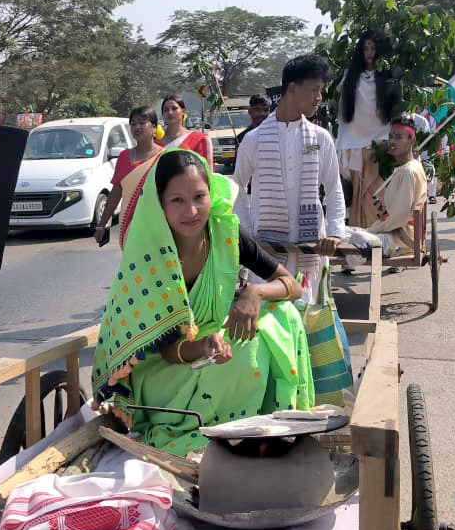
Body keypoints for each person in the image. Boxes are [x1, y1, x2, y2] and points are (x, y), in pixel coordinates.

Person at [90, 149, 314, 456]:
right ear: (160, 204)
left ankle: (260, 422)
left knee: (280, 314)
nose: (192, 211)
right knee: (245, 352)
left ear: (211, 193)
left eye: (199, 197)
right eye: (177, 201)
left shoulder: (225, 232)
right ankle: (229, 430)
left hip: (212, 348)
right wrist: (203, 347)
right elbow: (165, 351)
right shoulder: (152, 256)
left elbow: (292, 285)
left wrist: (255, 293)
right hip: (164, 375)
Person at [234, 54, 346, 303]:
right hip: (266, 252)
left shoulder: (320, 138)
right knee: (270, 319)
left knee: (309, 314)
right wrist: (247, 233)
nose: (319, 97)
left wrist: (335, 232)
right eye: (314, 89)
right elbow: (236, 186)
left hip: (311, 250)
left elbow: (333, 187)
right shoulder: (254, 139)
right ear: (293, 88)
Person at [336, 31, 402, 226]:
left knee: (378, 192)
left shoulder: (390, 77)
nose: (370, 53)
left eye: (373, 48)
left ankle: (383, 234)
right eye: (365, 48)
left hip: (381, 142)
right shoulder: (350, 76)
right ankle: (361, 233)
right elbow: (343, 108)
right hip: (355, 142)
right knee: (359, 193)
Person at [94, 105, 164, 248]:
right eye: (133, 123)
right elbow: (116, 192)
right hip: (129, 226)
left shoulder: (164, 157)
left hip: (158, 225)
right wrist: (102, 224)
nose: (137, 127)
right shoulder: (124, 157)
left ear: (154, 127)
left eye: (142, 123)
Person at [365, 117, 429, 258]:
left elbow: (399, 217)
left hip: (401, 238)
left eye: (399, 137)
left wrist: (372, 230)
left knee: (356, 238)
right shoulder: (410, 167)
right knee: (347, 233)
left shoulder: (408, 171)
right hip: (397, 232)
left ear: (411, 141)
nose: (392, 141)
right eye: (390, 137)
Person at [157, 95, 212, 164]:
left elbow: (207, 169)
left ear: (183, 111)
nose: (170, 112)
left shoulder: (200, 140)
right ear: (163, 115)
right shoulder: (155, 143)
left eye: (174, 108)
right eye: (166, 110)